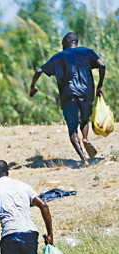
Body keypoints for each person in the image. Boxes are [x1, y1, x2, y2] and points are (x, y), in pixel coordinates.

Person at [29, 32, 105, 167]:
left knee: (72, 128)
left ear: (65, 43)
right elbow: (102, 64)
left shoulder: (59, 56)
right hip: (87, 92)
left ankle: (84, 159)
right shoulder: (87, 52)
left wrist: (32, 87)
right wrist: (99, 86)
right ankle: (86, 139)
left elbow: (40, 70)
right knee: (84, 120)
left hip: (68, 94)